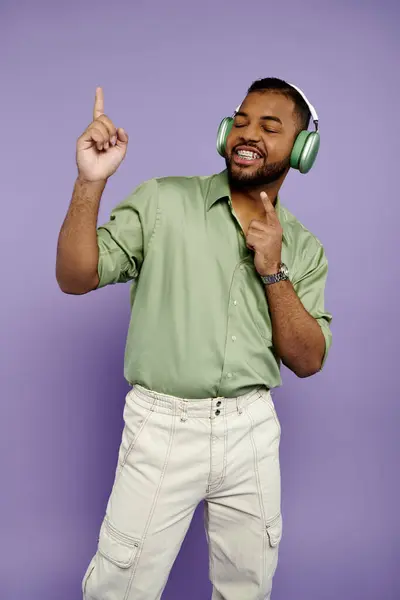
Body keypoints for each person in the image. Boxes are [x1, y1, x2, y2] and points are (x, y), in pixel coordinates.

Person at [56, 77, 332, 600]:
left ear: (302, 149)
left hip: (252, 429)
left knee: (246, 589)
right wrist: (89, 182)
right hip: (162, 427)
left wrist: (273, 270)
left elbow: (308, 359)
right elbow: (75, 277)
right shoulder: (163, 201)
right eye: (242, 121)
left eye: (270, 128)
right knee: (119, 586)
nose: (248, 134)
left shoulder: (304, 247)